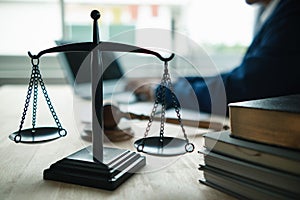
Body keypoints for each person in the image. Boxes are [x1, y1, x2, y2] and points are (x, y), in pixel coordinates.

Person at [128, 0, 300, 115]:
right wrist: (176, 83)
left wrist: (165, 92)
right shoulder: (272, 11)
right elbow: (242, 75)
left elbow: (244, 89)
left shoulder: (291, 12)